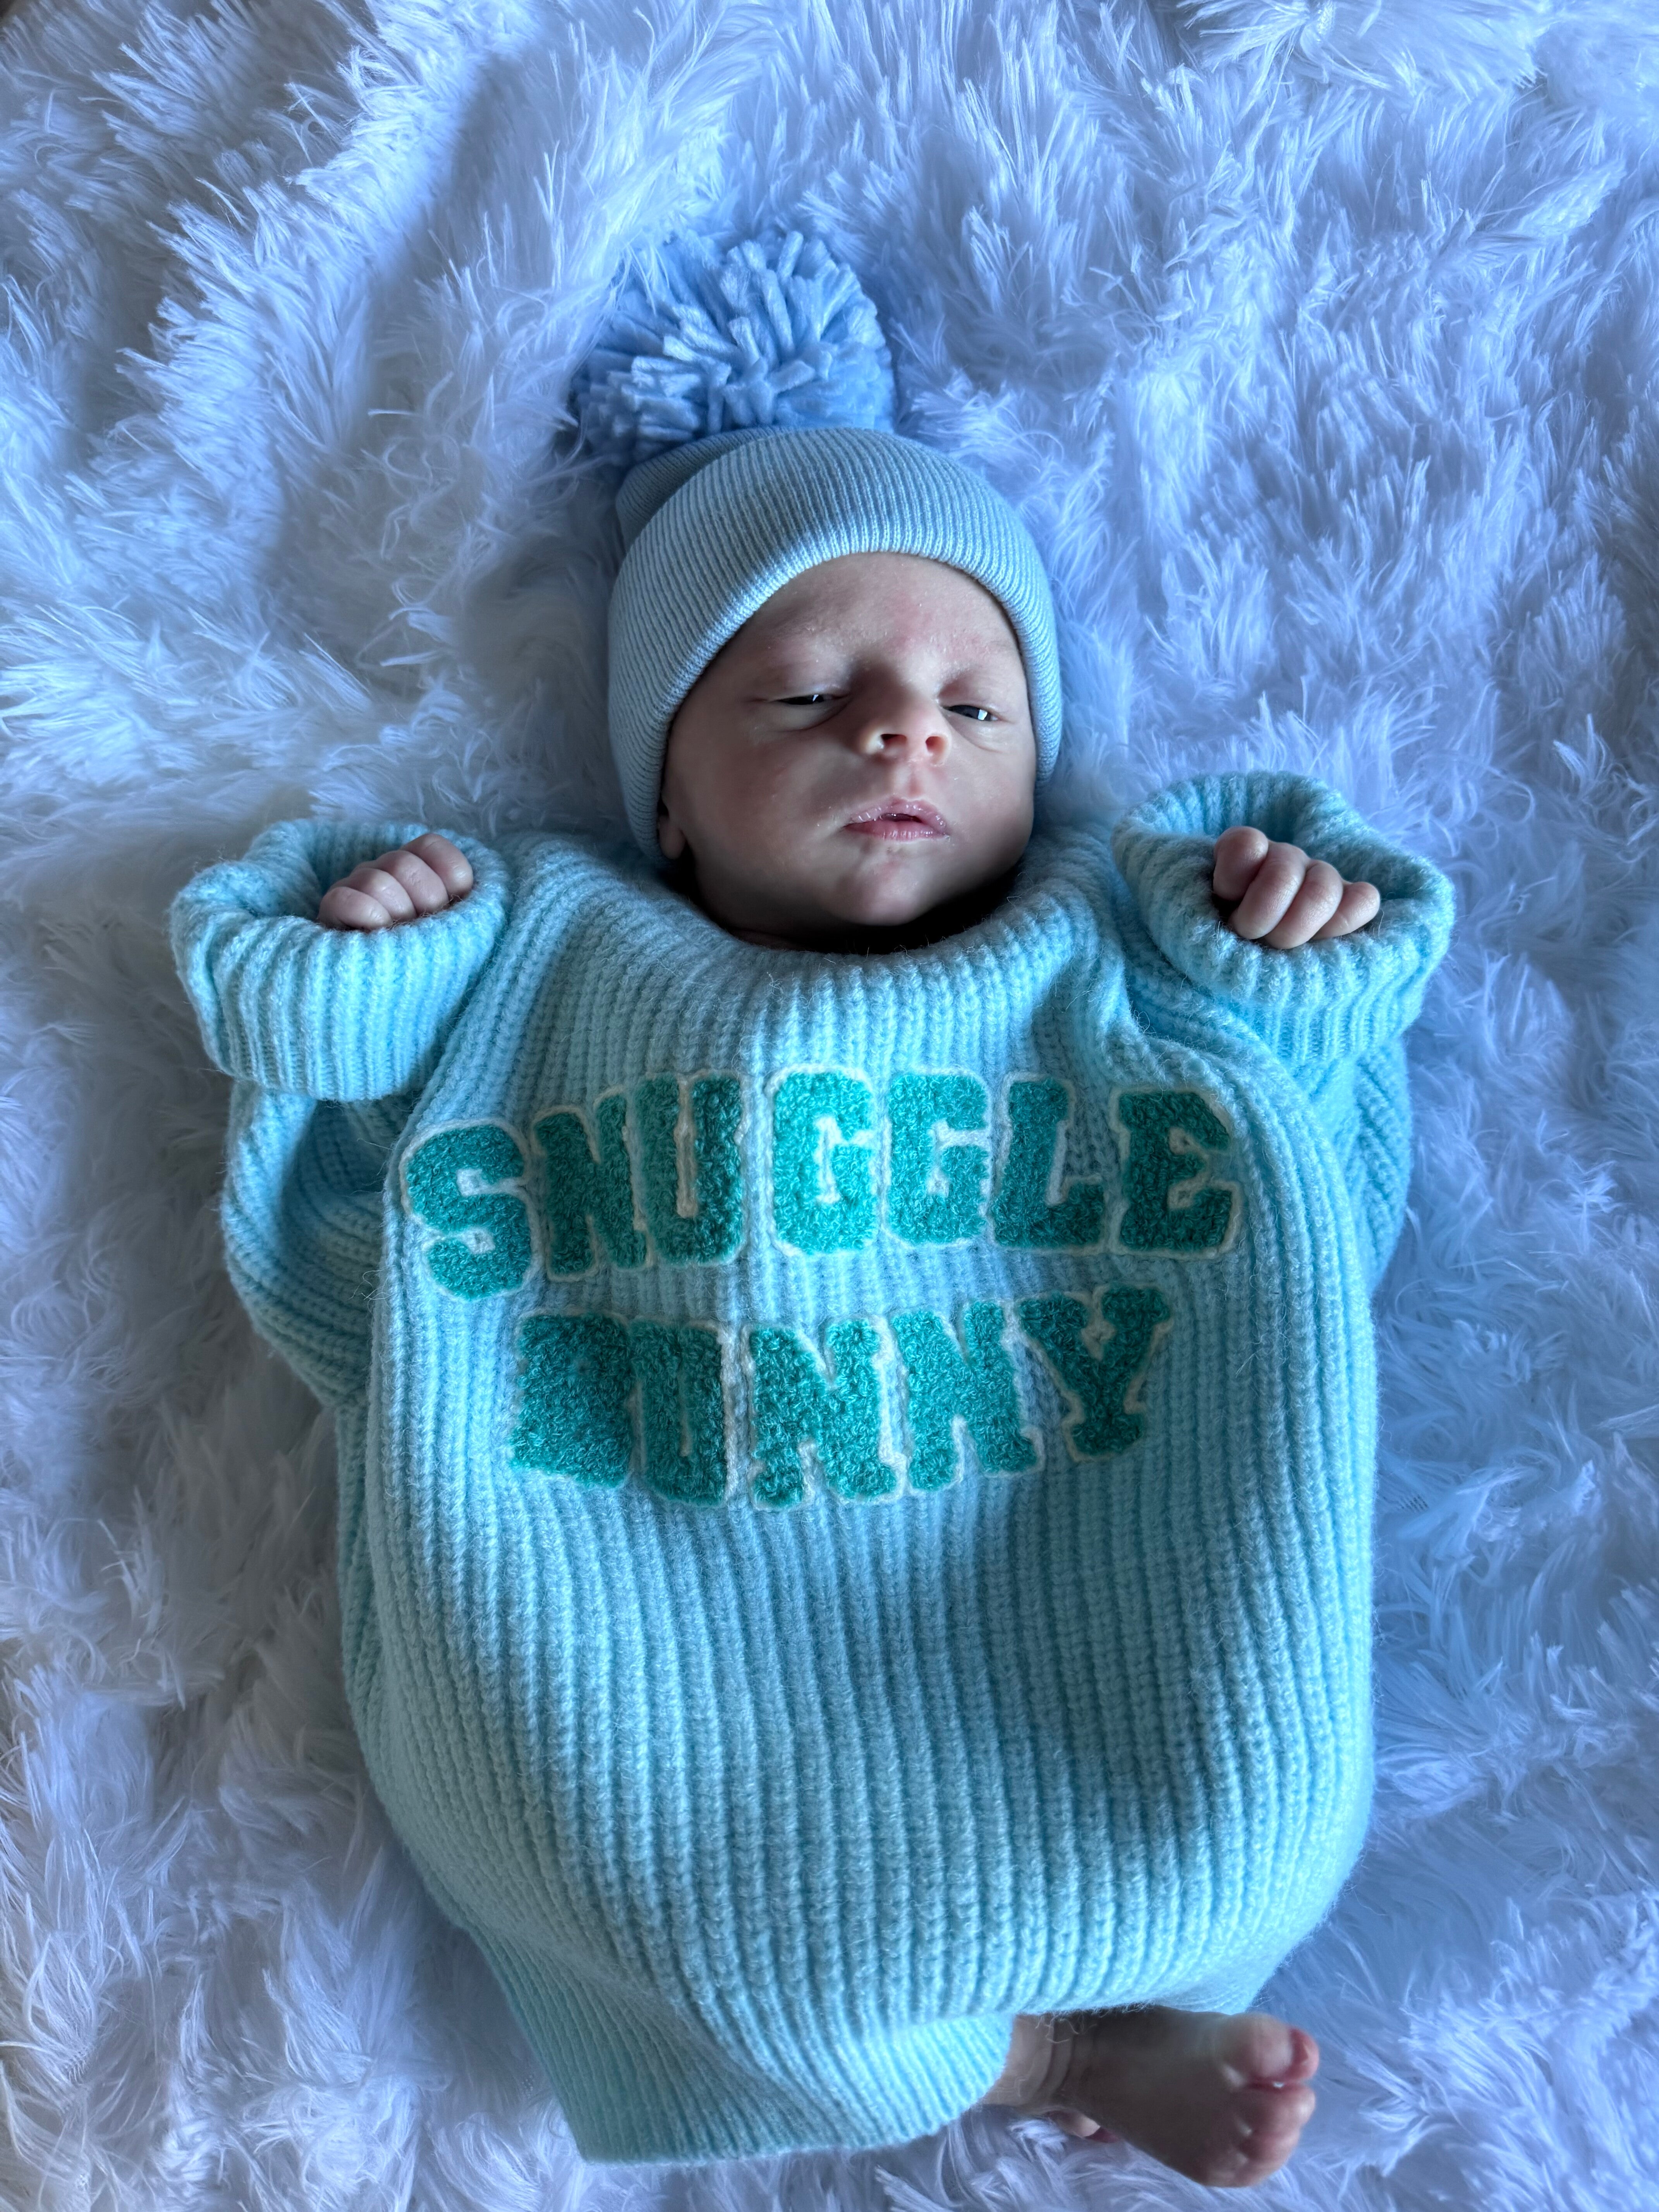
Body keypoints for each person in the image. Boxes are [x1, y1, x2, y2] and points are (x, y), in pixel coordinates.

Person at [171, 232, 1453, 2186]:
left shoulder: (1120, 955)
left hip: (1094, 1574)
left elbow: (1325, 1205)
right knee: (708, 1925)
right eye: (806, 692)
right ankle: (1047, 2059)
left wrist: (1300, 961)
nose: (904, 731)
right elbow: (329, 1258)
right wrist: (359, 981)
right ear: (664, 790)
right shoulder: (548, 960)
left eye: (974, 701)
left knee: (1255, 1805)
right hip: (651, 1653)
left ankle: (1093, 2010)